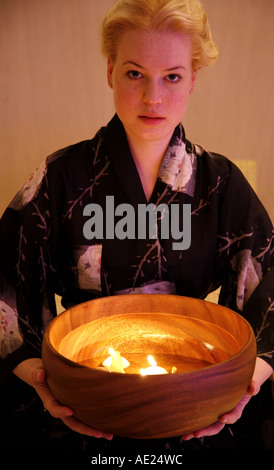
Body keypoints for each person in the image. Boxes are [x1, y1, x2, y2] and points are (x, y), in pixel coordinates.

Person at [0, 0, 273, 453]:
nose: (153, 97)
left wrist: (241, 386)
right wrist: (43, 381)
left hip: (193, 401)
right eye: (134, 74)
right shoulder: (59, 176)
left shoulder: (220, 183)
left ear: (193, 79)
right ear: (109, 71)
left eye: (172, 76)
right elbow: (6, 281)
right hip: (83, 399)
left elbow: (269, 291)